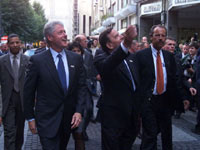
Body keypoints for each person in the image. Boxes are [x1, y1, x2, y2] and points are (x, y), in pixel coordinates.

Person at [23, 21, 86, 150]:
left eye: (64, 32)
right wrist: (30, 118)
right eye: (60, 32)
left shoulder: (76, 59)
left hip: (68, 120)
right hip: (46, 120)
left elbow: (81, 87)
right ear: (50, 37)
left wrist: (79, 111)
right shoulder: (37, 60)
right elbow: (28, 92)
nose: (65, 35)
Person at [135, 25, 190, 150]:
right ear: (151, 37)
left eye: (163, 35)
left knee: (166, 133)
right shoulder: (141, 56)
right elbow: (137, 81)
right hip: (148, 101)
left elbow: (174, 80)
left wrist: (183, 97)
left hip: (165, 101)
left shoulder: (168, 56)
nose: (160, 38)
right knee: (150, 134)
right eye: (157, 35)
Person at [94, 26, 140, 150]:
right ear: (109, 45)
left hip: (132, 115)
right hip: (113, 117)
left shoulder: (131, 57)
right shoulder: (101, 58)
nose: (121, 36)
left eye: (120, 35)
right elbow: (110, 64)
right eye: (116, 36)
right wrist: (126, 43)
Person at [0, 34, 29, 150]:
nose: (15, 45)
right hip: (8, 102)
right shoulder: (2, 61)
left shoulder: (28, 61)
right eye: (12, 43)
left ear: (20, 43)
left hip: (22, 102)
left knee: (19, 132)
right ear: (7, 45)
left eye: (17, 42)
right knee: (9, 132)